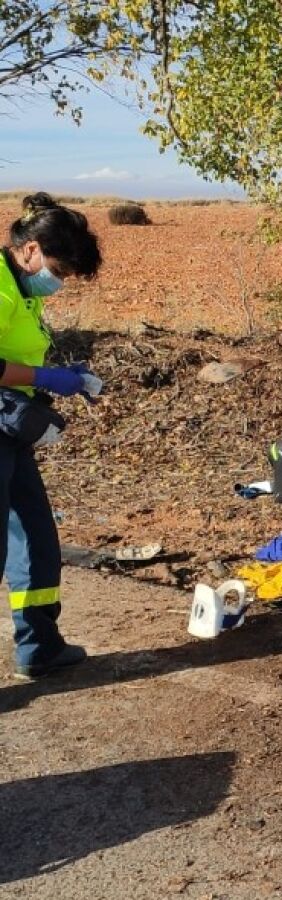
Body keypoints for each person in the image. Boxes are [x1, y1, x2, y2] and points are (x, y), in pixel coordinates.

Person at [0, 193, 102, 679]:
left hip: (8, 431)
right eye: (58, 270)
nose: (58, 282)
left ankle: (39, 645)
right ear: (31, 250)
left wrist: (64, 375)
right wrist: (46, 380)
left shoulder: (21, 289)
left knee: (37, 538)